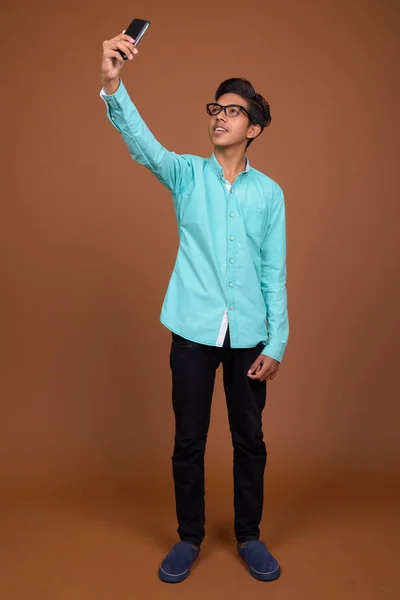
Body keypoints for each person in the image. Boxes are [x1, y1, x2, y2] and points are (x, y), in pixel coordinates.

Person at [100, 31, 289, 584]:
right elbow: (143, 144)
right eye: (217, 108)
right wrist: (114, 85)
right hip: (191, 329)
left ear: (253, 128)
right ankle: (189, 537)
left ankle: (250, 536)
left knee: (249, 439)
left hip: (250, 335)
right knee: (189, 439)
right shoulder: (186, 174)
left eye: (234, 111)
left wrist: (277, 342)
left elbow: (274, 273)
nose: (220, 117)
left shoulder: (269, 194)